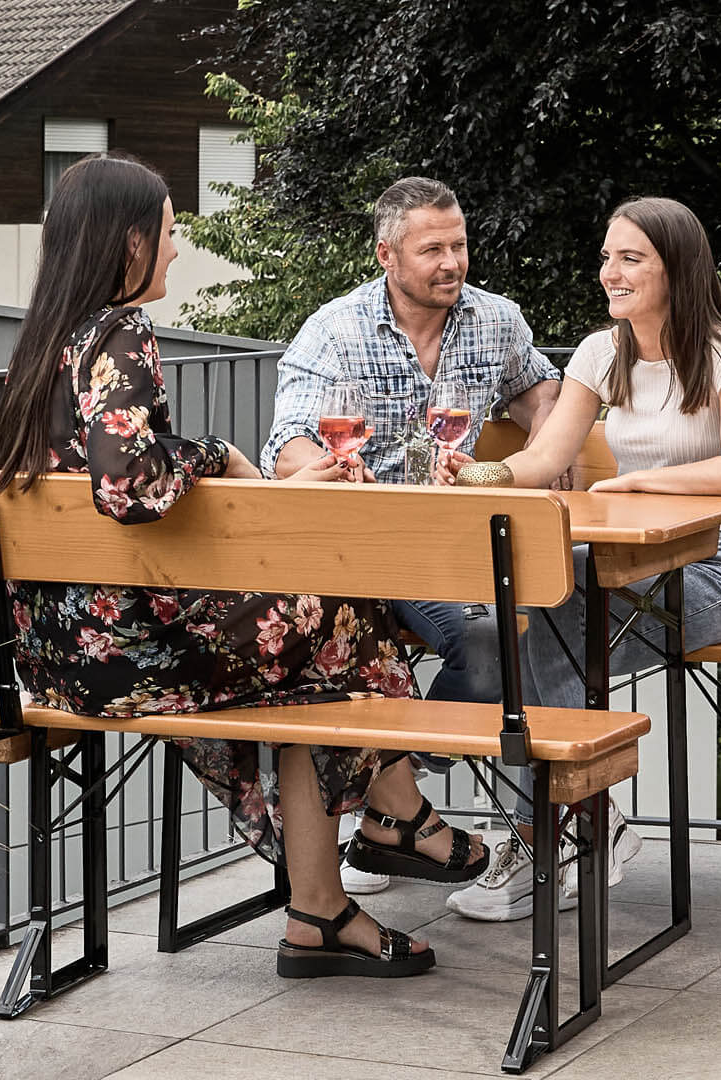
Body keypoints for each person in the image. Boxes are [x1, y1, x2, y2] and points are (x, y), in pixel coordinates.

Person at [0, 153, 487, 978]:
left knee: (316, 662)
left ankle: (328, 904)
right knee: (347, 611)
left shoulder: (43, 343)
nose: (177, 250)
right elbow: (127, 485)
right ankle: (391, 827)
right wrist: (216, 454)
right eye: (171, 232)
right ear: (128, 243)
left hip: (54, 659)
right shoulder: (121, 334)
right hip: (132, 654)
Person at [441, 195, 721, 921]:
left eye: (630, 258)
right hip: (617, 567)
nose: (609, 273)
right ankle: (581, 824)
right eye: (606, 257)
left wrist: (640, 479)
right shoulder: (600, 351)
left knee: (550, 634)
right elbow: (548, 456)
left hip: (708, 575)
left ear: (674, 267)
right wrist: (473, 473)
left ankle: (555, 834)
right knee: (510, 621)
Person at [260, 176, 563, 893]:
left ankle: (387, 800)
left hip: (451, 549)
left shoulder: (496, 321)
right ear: (387, 255)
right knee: (338, 657)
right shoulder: (335, 330)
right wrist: (331, 470)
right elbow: (288, 448)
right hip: (354, 549)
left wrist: (540, 457)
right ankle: (399, 811)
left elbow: (542, 389)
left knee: (494, 640)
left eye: (458, 245)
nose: (452, 262)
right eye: (433, 250)